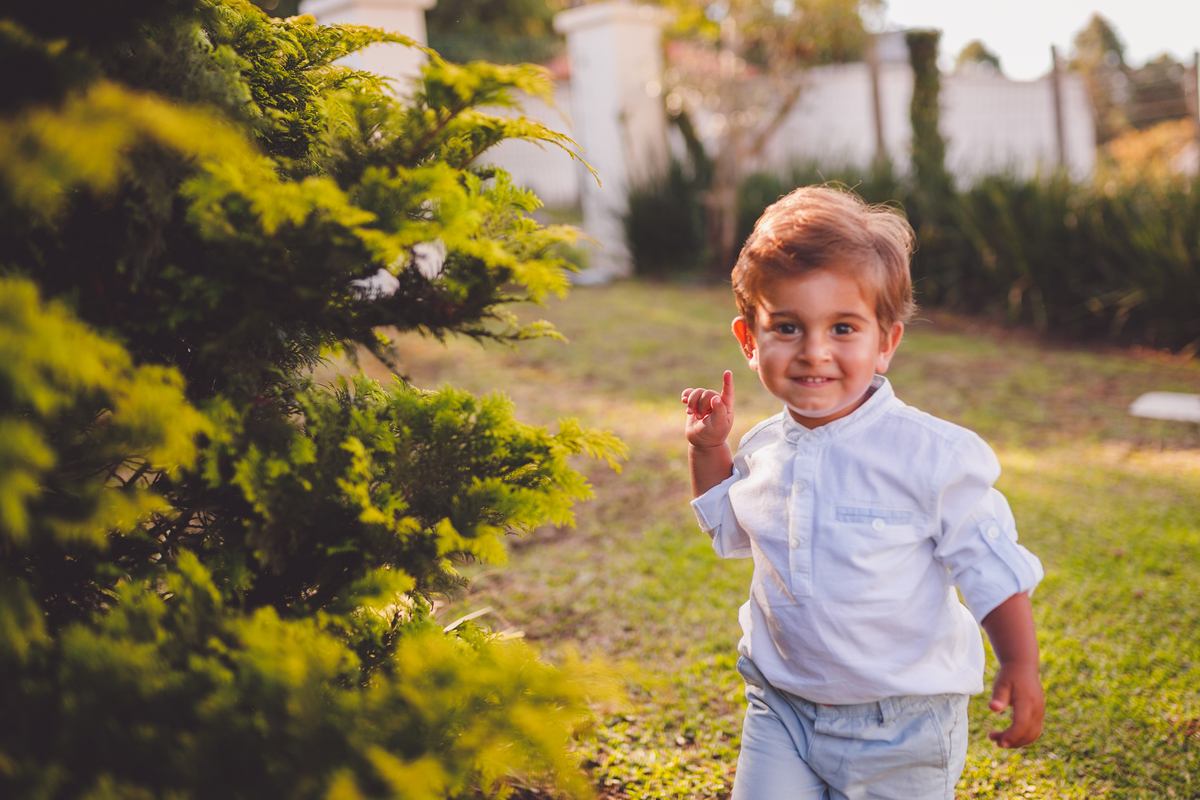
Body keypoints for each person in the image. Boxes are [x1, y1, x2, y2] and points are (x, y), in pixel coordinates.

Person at [680, 186, 1045, 800]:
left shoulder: (931, 456)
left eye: (843, 327)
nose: (814, 351)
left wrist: (1021, 665)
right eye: (788, 327)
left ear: (886, 342)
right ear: (749, 341)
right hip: (782, 707)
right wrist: (708, 449)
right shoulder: (765, 447)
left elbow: (988, 564)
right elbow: (726, 527)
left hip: (901, 725)